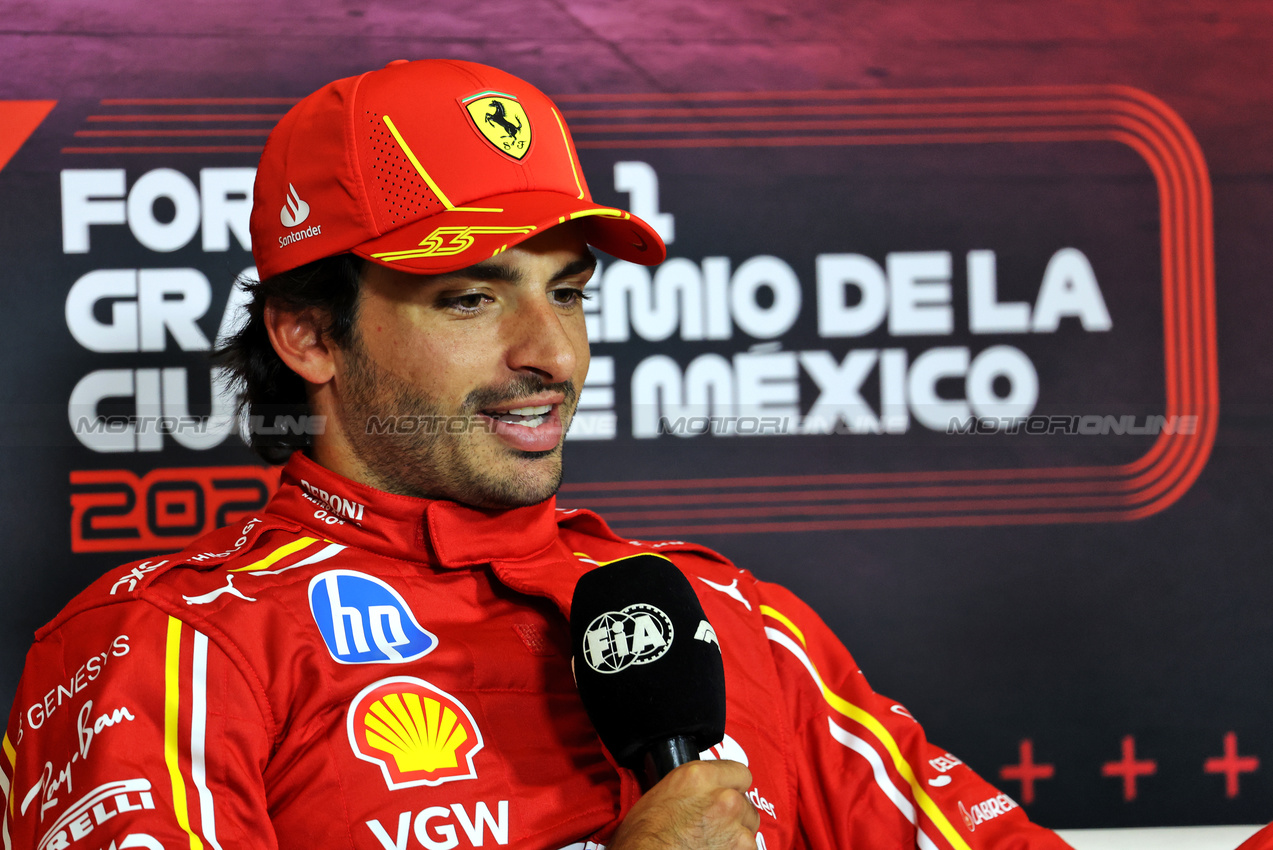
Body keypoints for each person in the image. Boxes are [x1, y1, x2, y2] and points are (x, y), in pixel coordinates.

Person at [0, 60, 1070, 850]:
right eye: (470, 297)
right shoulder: (171, 647)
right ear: (309, 335)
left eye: (566, 291)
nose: (549, 353)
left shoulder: (736, 620)